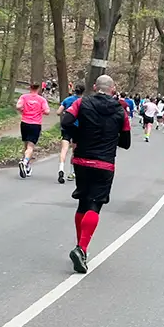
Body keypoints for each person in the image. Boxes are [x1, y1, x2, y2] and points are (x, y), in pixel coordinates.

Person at [61, 74, 131, 273]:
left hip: (82, 159)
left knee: (83, 202)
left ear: (94, 86)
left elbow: (66, 120)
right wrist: (110, 137)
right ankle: (81, 248)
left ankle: (80, 247)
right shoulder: (120, 110)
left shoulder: (82, 102)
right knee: (95, 204)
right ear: (113, 88)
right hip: (104, 163)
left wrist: (79, 134)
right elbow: (126, 143)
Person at [16, 81, 49, 177]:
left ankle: (27, 167)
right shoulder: (41, 99)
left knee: (26, 146)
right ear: (38, 89)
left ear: (30, 88)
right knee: (30, 147)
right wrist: (40, 110)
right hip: (35, 124)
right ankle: (25, 162)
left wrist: (23, 110)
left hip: (25, 123)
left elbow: (18, 106)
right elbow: (47, 111)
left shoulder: (24, 97)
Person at [57, 82, 84, 184]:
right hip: (78, 127)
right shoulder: (83, 102)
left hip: (66, 126)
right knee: (75, 150)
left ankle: (61, 169)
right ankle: (72, 172)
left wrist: (65, 113)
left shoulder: (67, 100)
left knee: (64, 149)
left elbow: (58, 112)